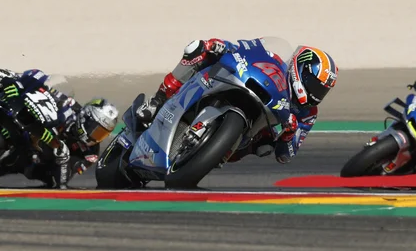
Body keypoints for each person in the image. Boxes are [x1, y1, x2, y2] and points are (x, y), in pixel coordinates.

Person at [136, 37, 338, 164]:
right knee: (198, 49)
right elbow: (245, 47)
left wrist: (288, 134)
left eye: (323, 91)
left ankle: (217, 152)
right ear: (300, 70)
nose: (316, 94)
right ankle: (157, 100)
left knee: (265, 147)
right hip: (239, 83)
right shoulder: (275, 62)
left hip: (252, 131)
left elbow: (285, 156)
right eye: (316, 85)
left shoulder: (308, 114)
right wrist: (220, 46)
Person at [0, 68, 119, 188]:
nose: (97, 136)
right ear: (86, 118)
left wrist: (61, 160)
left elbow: (62, 180)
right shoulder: (70, 106)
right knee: (3, 82)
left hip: (39, 160)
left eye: (103, 134)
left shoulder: (90, 153)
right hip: (29, 125)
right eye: (96, 129)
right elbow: (47, 90)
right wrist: (24, 81)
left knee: (26, 167)